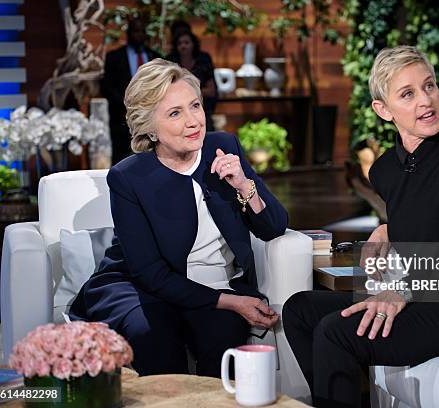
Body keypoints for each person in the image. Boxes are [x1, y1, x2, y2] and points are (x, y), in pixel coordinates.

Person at [282, 46, 439, 407]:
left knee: (336, 333)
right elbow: (431, 213)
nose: (425, 101)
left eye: (429, 86)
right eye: (407, 94)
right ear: (383, 110)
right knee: (299, 309)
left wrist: (405, 290)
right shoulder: (384, 170)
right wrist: (389, 228)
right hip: (426, 294)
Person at [70, 58, 288, 377]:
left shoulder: (223, 147)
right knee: (152, 334)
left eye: (195, 106)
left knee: (224, 334)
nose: (193, 121)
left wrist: (245, 185)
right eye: (175, 113)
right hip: (141, 287)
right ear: (149, 127)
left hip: (214, 286)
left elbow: (274, 227)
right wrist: (231, 301)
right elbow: (150, 274)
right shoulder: (129, 178)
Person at [102, 16, 161, 164]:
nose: (139, 35)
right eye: (136, 31)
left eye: (142, 31)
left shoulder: (154, 56)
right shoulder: (114, 57)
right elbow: (107, 87)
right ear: (128, 33)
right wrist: (127, 106)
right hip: (121, 118)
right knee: (122, 159)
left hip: (152, 117)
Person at [167, 22, 217, 131]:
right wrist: (196, 92)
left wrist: (184, 93)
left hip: (203, 110)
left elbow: (211, 91)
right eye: (179, 43)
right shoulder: (170, 61)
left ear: (193, 44)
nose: (183, 46)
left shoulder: (203, 59)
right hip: (176, 114)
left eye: (186, 42)